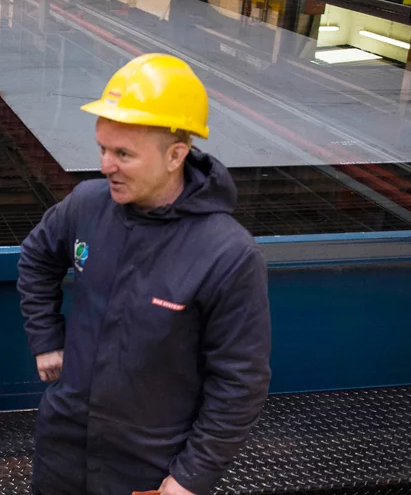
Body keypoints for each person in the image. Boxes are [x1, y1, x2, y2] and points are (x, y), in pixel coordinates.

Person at [18, 53, 272, 495]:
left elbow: (240, 382)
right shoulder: (87, 205)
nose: (104, 166)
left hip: (148, 465)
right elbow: (37, 257)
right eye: (102, 148)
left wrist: (192, 477)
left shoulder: (227, 254)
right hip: (63, 445)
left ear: (176, 155)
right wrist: (45, 339)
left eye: (123, 154)